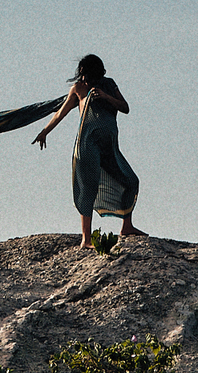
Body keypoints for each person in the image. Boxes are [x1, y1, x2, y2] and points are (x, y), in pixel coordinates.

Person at [33, 54, 146, 248]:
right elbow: (61, 112)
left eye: (88, 76)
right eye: (82, 75)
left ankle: (127, 226)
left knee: (130, 180)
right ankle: (86, 239)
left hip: (109, 146)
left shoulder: (109, 85)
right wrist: (45, 132)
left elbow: (125, 107)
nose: (85, 79)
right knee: (89, 186)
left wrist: (105, 96)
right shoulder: (77, 89)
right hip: (87, 144)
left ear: (98, 74)